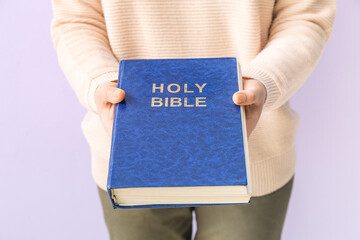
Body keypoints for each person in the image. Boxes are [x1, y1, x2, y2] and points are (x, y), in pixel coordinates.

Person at [50, 0, 336, 239]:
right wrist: (102, 82)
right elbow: (77, 20)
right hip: (131, 155)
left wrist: (264, 79)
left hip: (252, 152)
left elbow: (304, 16)